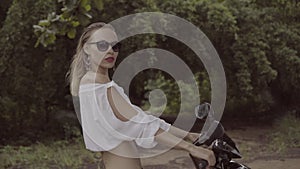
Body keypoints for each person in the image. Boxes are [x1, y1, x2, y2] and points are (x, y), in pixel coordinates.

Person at [68, 22, 215, 169]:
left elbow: (144, 119)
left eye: (115, 46)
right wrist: (192, 148)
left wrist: (188, 135)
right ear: (86, 48)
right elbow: (143, 125)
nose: (110, 51)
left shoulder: (100, 84)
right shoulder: (97, 85)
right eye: (102, 45)